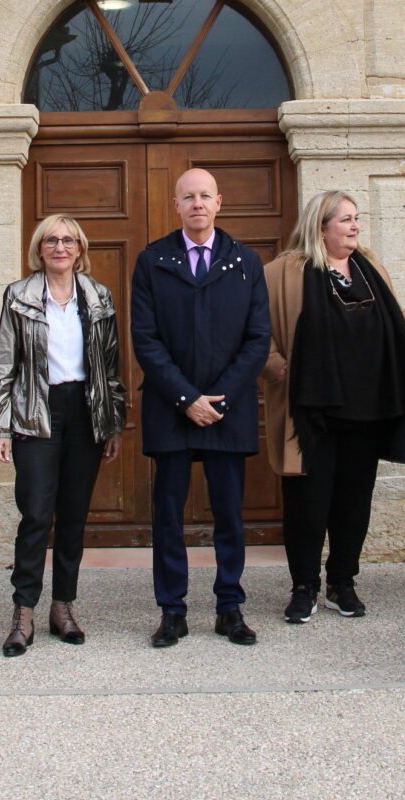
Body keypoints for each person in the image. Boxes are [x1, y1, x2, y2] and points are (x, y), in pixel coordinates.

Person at [262, 191, 405, 624]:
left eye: (356, 219)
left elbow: (397, 326)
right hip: (312, 414)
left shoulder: (373, 272)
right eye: (346, 220)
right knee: (308, 502)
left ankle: (342, 581)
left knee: (354, 500)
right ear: (321, 227)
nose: (354, 226)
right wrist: (275, 366)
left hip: (368, 409)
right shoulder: (284, 272)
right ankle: (304, 586)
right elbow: (253, 329)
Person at [131, 168, 272, 648]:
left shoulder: (246, 262)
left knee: (229, 513)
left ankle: (229, 607)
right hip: (171, 408)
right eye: (188, 197)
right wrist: (187, 398)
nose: (197, 204)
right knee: (168, 513)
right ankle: (172, 611)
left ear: (219, 202)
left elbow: (257, 342)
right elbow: (145, 339)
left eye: (205, 196)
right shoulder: (153, 261)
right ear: (176, 205)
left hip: (227, 411)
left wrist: (221, 399)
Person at [0, 215, 125, 656]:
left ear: (80, 249)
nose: (60, 247)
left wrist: (113, 422)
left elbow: (111, 367)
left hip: (85, 414)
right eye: (51, 240)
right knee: (35, 515)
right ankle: (23, 610)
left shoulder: (99, 297)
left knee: (73, 517)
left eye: (68, 240)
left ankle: (63, 607)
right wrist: (1, 425)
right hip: (35, 413)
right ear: (39, 248)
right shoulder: (19, 296)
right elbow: (4, 365)